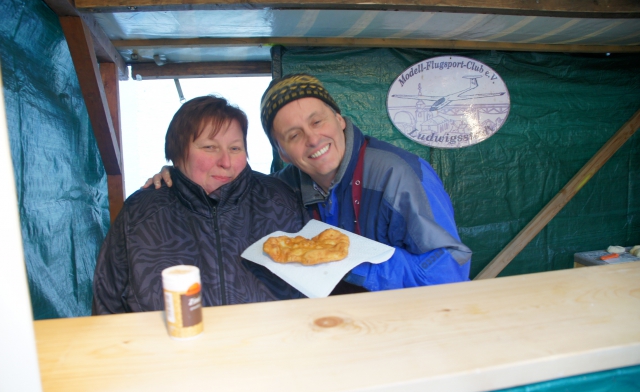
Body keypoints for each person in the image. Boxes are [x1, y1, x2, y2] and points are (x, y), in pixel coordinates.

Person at [148, 74, 472, 291]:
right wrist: (180, 176)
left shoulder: (399, 175)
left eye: (317, 121)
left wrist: (351, 265)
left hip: (406, 321)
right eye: (294, 135)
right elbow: (230, 193)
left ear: (340, 119)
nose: (313, 138)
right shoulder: (284, 187)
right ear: (283, 153)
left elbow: (451, 271)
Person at [93, 95, 308, 314]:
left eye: (235, 148)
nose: (225, 162)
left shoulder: (280, 201)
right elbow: (107, 302)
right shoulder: (141, 212)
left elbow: (316, 287)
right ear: (177, 153)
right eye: (209, 147)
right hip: (169, 336)